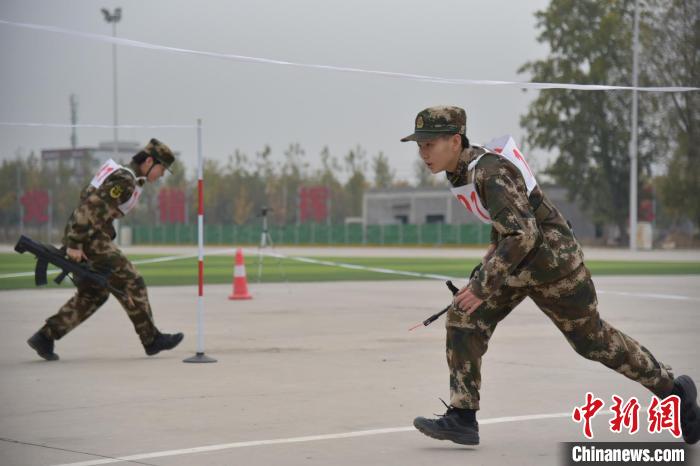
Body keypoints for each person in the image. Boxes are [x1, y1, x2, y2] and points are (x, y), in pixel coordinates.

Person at [401, 106, 699, 445]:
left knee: (593, 342)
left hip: (554, 266)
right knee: (464, 317)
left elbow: (524, 233)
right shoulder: (462, 171)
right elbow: (508, 219)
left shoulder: (490, 171)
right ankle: (463, 417)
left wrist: (483, 285)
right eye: (419, 145)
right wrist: (492, 251)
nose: (423, 153)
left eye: (429, 144)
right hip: (519, 265)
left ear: (455, 141)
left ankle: (673, 391)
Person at [27, 139, 184, 361]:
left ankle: (45, 337)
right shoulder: (125, 180)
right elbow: (90, 207)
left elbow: (89, 199)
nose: (162, 175)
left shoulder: (124, 175)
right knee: (132, 281)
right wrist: (75, 243)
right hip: (89, 237)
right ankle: (151, 339)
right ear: (149, 161)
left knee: (94, 293)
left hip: (87, 234)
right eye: (161, 168)